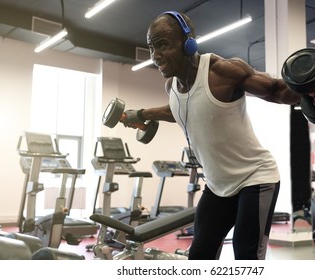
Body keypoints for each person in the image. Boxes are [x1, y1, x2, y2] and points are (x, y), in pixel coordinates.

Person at [123, 11, 302, 260]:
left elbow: (277, 91)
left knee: (246, 254)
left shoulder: (222, 72)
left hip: (255, 178)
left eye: (163, 45)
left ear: (189, 42)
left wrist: (313, 91)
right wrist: (143, 113)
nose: (156, 56)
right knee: (200, 255)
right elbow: (181, 109)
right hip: (218, 187)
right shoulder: (172, 87)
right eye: (152, 48)